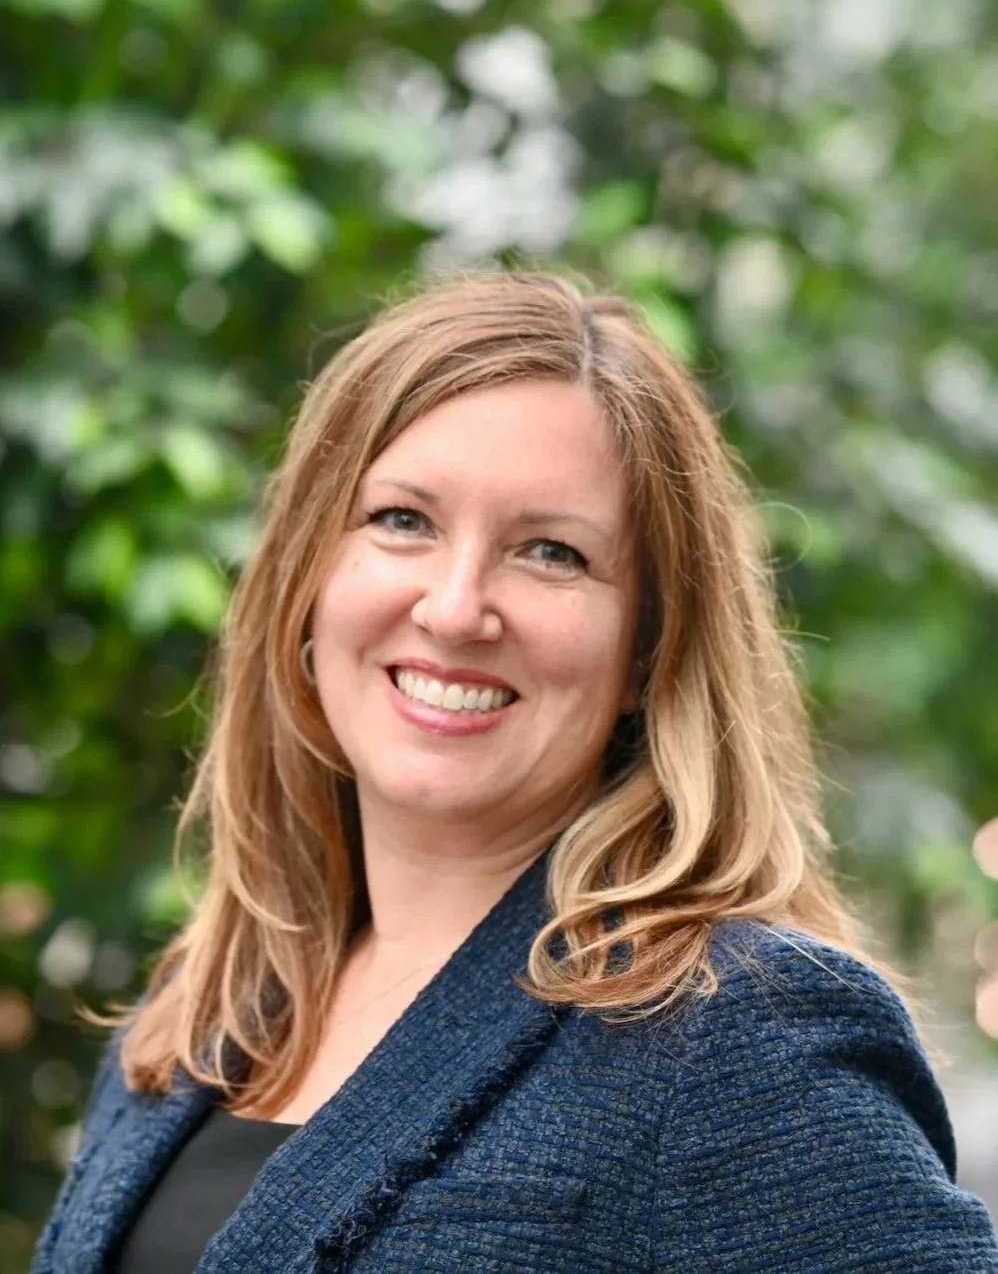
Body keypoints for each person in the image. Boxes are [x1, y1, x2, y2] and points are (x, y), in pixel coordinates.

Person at [32, 271, 998, 1274]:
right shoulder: (200, 1010)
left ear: (645, 652)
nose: (454, 609)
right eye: (402, 518)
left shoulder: (738, 1033)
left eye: (549, 551)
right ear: (306, 576)